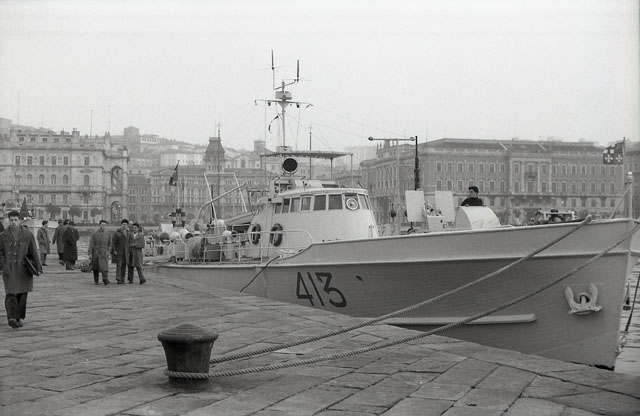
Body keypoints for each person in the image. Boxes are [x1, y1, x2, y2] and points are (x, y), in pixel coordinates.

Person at [0, 210, 43, 329]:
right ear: (8, 221)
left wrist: (38, 267)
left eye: (15, 220)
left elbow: (33, 251)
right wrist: (3, 264)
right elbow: (0, 252)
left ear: (19, 220)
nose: (13, 222)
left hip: (24, 268)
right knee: (10, 293)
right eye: (11, 220)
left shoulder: (27, 235)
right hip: (9, 268)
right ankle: (12, 318)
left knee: (22, 294)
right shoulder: (3, 235)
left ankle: (18, 317)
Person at [89, 219, 112, 285]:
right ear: (99, 225)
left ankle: (105, 279)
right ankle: (96, 280)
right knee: (96, 266)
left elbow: (110, 244)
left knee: (105, 266)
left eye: (104, 225)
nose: (103, 226)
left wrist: (108, 251)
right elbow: (91, 244)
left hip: (104, 251)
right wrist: (90, 253)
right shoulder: (94, 234)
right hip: (96, 251)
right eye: (102, 225)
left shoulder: (108, 234)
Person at [111, 219, 129, 284]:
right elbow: (113, 243)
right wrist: (114, 250)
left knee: (124, 265)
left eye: (126, 225)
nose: (124, 226)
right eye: (123, 224)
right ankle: (118, 278)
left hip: (125, 252)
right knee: (119, 265)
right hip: (119, 252)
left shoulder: (128, 233)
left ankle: (122, 279)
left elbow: (129, 243)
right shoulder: (117, 233)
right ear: (121, 225)